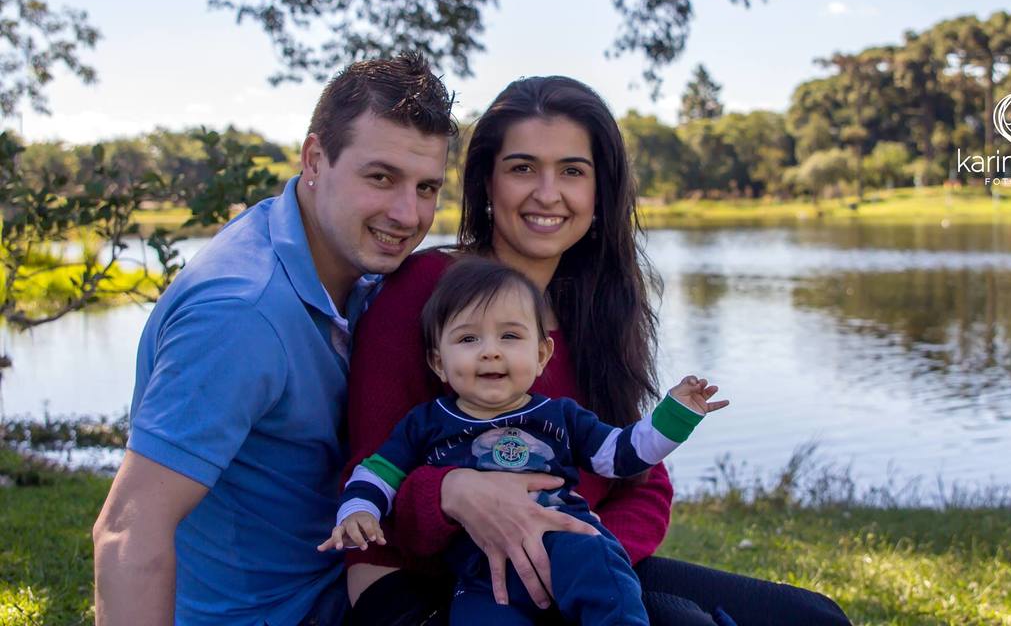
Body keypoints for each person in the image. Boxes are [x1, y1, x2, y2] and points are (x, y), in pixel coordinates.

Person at [345, 76, 852, 625]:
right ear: (487, 183)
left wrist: (579, 554)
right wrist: (455, 488)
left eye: (572, 171)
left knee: (813, 617)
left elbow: (644, 482)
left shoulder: (597, 308)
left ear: (599, 190)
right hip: (438, 581)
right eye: (522, 168)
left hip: (579, 554)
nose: (547, 192)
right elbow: (374, 473)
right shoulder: (427, 291)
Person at [92, 53, 456, 626]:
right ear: (315, 160)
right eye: (381, 177)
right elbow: (129, 529)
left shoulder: (350, 268)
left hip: (358, 588)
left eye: (427, 186)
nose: (407, 213)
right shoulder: (240, 314)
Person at [323, 257, 729, 625]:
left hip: (568, 544)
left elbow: (622, 455)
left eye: (510, 337)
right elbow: (378, 471)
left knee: (608, 587)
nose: (490, 353)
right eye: (468, 340)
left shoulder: (560, 415)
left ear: (542, 354)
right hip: (483, 572)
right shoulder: (427, 423)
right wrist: (359, 510)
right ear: (437, 361)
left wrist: (675, 415)